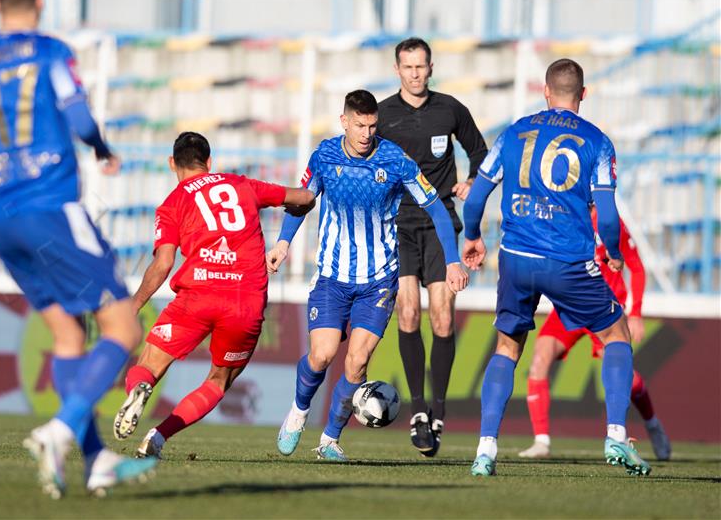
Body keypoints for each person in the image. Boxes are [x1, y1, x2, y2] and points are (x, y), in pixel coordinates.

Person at [0, 0, 156, 498]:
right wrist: (101, 147)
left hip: (2, 218)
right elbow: (77, 119)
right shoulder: (51, 52)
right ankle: (58, 432)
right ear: (40, 0)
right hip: (53, 209)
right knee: (123, 326)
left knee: (68, 338)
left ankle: (96, 461)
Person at [462, 58, 651, 477]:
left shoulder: (515, 132)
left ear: (545, 91)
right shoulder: (598, 142)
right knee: (616, 334)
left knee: (507, 347)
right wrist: (615, 252)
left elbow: (475, 196)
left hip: (516, 258)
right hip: (568, 261)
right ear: (583, 94)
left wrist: (472, 235)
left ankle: (485, 450)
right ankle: (617, 435)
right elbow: (606, 215)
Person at [267, 90, 469, 462]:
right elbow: (301, 202)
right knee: (322, 355)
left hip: (378, 280)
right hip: (332, 276)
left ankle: (329, 438)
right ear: (344, 121)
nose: (366, 133)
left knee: (357, 363)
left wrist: (453, 260)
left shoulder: (394, 160)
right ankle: (298, 410)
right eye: (359, 125)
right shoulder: (325, 156)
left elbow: (437, 209)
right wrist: (282, 242)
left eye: (372, 125)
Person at [112, 132, 315, 459]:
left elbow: (163, 263)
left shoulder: (172, 203)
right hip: (244, 302)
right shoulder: (242, 184)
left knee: (149, 363)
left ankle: (139, 388)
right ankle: (159, 436)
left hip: (198, 294)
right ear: (209, 162)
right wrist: (306, 199)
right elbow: (303, 198)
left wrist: (133, 305)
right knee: (218, 381)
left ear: (171, 164)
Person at [376, 37, 488, 456]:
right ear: (397, 69)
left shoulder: (450, 109)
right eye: (407, 67)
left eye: (421, 66)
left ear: (431, 67)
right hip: (400, 225)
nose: (415, 74)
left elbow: (481, 152)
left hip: (441, 224)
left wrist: (474, 180)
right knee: (407, 312)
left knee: (442, 318)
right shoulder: (383, 115)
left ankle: (438, 410)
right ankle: (418, 411)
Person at [519, 209, 671, 460]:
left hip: (604, 306)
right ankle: (541, 441)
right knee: (540, 357)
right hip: (569, 305)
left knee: (627, 378)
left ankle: (653, 425)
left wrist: (636, 313)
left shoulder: (610, 220)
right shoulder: (562, 213)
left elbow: (637, 267)